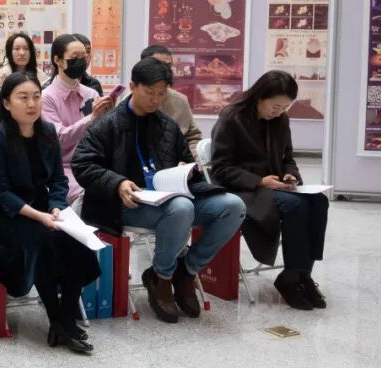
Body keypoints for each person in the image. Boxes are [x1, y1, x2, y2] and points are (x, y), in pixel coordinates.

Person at [71, 57, 245, 324]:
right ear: (132, 86)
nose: (155, 100)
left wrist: (187, 170)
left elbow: (188, 164)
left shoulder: (167, 126)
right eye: (149, 92)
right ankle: (162, 277)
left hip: (170, 199)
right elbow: (82, 164)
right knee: (181, 208)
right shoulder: (107, 124)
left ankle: (187, 271)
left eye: (161, 94)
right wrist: (117, 183)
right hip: (124, 204)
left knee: (233, 206)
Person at [0, 72, 100, 353]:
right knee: (44, 241)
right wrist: (40, 216)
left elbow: (58, 180)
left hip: (43, 206)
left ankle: (64, 318)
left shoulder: (47, 132)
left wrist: (56, 206)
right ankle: (59, 320)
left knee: (77, 241)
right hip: (3, 213)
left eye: (36, 97)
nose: (32, 104)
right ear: (7, 103)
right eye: (23, 98)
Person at [210, 71, 328, 310]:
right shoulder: (232, 118)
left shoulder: (281, 120)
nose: (279, 112)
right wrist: (260, 181)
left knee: (319, 201)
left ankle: (302, 273)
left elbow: (288, 158)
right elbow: (221, 169)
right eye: (275, 106)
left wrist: (290, 175)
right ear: (259, 97)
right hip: (243, 189)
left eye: (285, 107)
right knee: (295, 205)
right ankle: (291, 278)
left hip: (275, 186)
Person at [42, 34, 114, 205]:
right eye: (75, 57)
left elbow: (102, 136)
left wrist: (109, 116)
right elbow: (59, 139)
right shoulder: (46, 97)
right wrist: (92, 117)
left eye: (84, 56)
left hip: (94, 163)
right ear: (58, 60)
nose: (81, 61)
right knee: (88, 196)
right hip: (63, 168)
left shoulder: (91, 93)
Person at [140, 44, 204, 156]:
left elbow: (193, 137)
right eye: (159, 65)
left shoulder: (180, 100)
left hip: (177, 163)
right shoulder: (131, 103)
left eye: (168, 66)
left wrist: (191, 160)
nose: (166, 70)